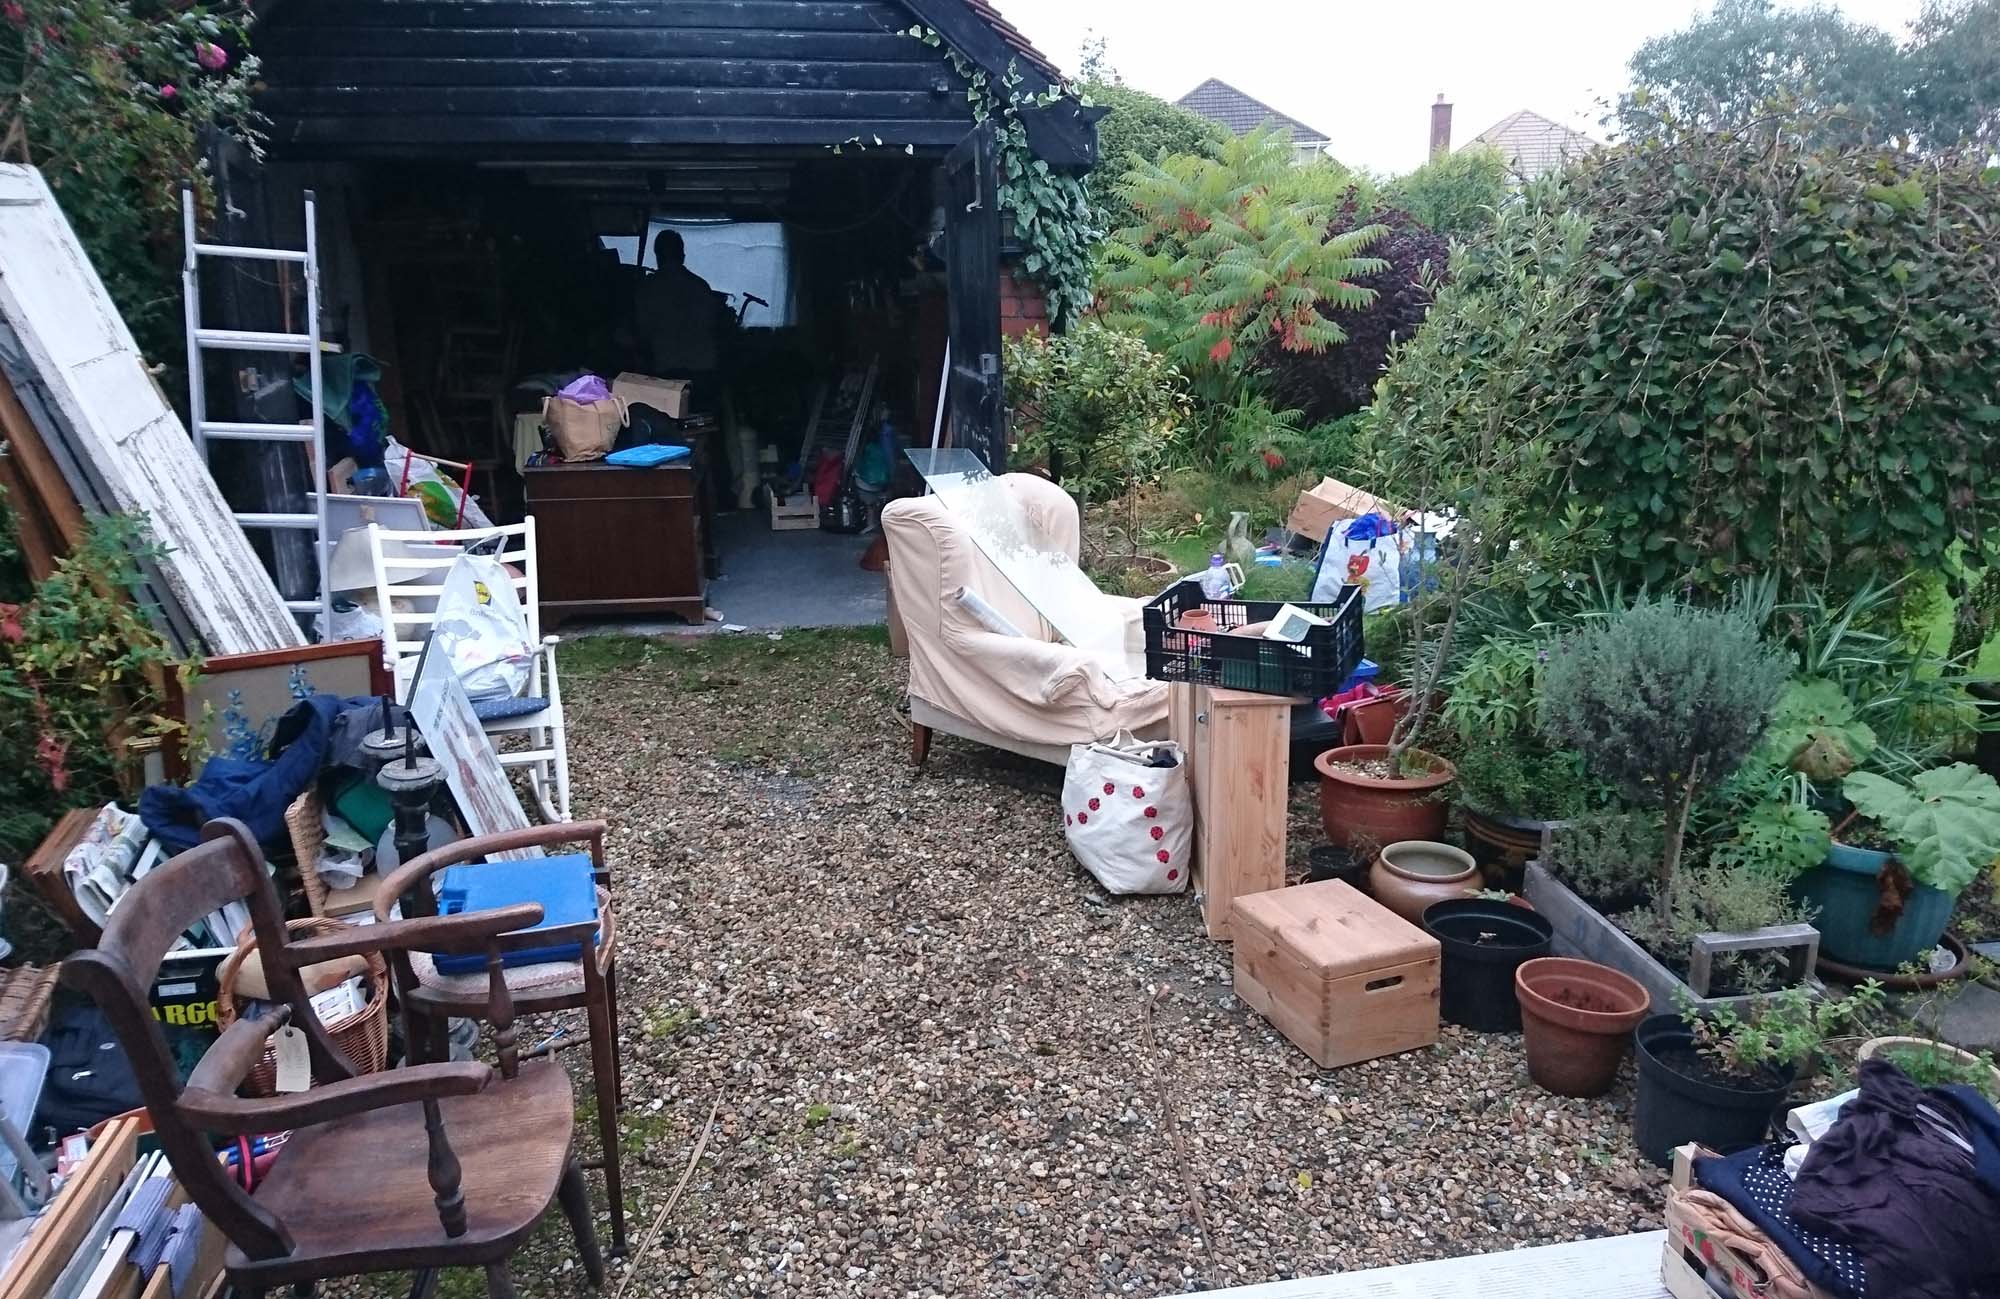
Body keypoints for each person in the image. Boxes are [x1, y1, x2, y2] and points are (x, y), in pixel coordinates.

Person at [633, 228, 721, 378]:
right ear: (682, 256)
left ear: (658, 256)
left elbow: (642, 330)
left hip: (666, 369)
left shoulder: (648, 289)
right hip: (702, 368)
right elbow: (714, 325)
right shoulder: (701, 286)